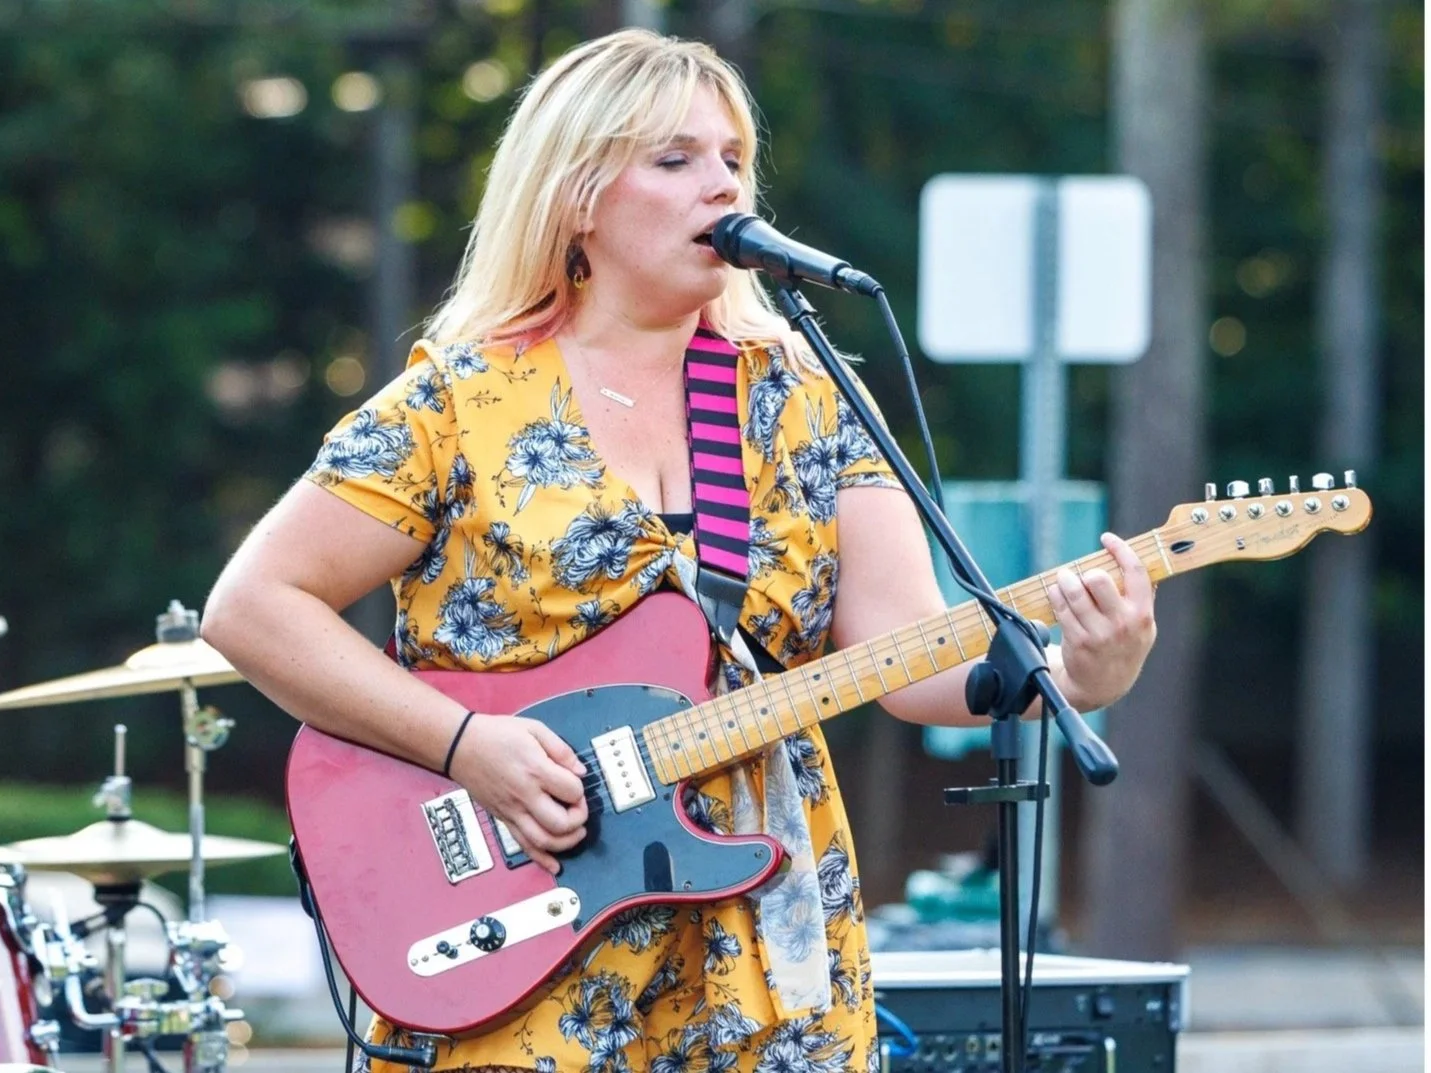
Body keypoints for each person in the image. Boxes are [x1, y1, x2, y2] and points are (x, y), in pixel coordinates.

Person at [202, 28, 1157, 1073]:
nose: (722, 186)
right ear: (576, 197)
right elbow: (255, 606)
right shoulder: (458, 403)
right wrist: (465, 743)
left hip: (768, 945)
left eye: (734, 159)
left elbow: (907, 653)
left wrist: (1073, 671)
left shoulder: (806, 393)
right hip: (526, 934)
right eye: (676, 159)